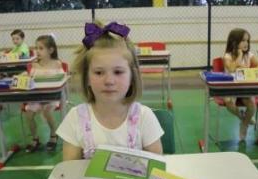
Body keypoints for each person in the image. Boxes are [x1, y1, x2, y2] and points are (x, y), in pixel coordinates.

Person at [56, 21, 164, 160]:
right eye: (99, 73)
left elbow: (155, 168)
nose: (109, 81)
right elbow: (70, 171)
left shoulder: (144, 117)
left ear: (132, 76)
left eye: (118, 72)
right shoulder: (75, 118)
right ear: (87, 77)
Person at [24, 34, 65, 153]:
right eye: (36, 48)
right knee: (29, 114)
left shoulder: (57, 64)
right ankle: (35, 138)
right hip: (36, 97)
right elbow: (29, 79)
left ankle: (53, 135)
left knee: (47, 111)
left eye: (41, 48)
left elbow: (62, 78)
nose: (37, 51)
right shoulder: (34, 65)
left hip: (52, 97)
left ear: (51, 50)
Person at [222, 28, 258, 141]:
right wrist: (239, 56)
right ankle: (243, 117)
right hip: (230, 87)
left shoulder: (249, 55)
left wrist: (248, 70)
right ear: (234, 42)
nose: (246, 43)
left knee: (252, 106)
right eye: (243, 40)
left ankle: (244, 125)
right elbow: (230, 68)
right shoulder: (227, 55)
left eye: (247, 41)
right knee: (229, 103)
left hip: (244, 87)